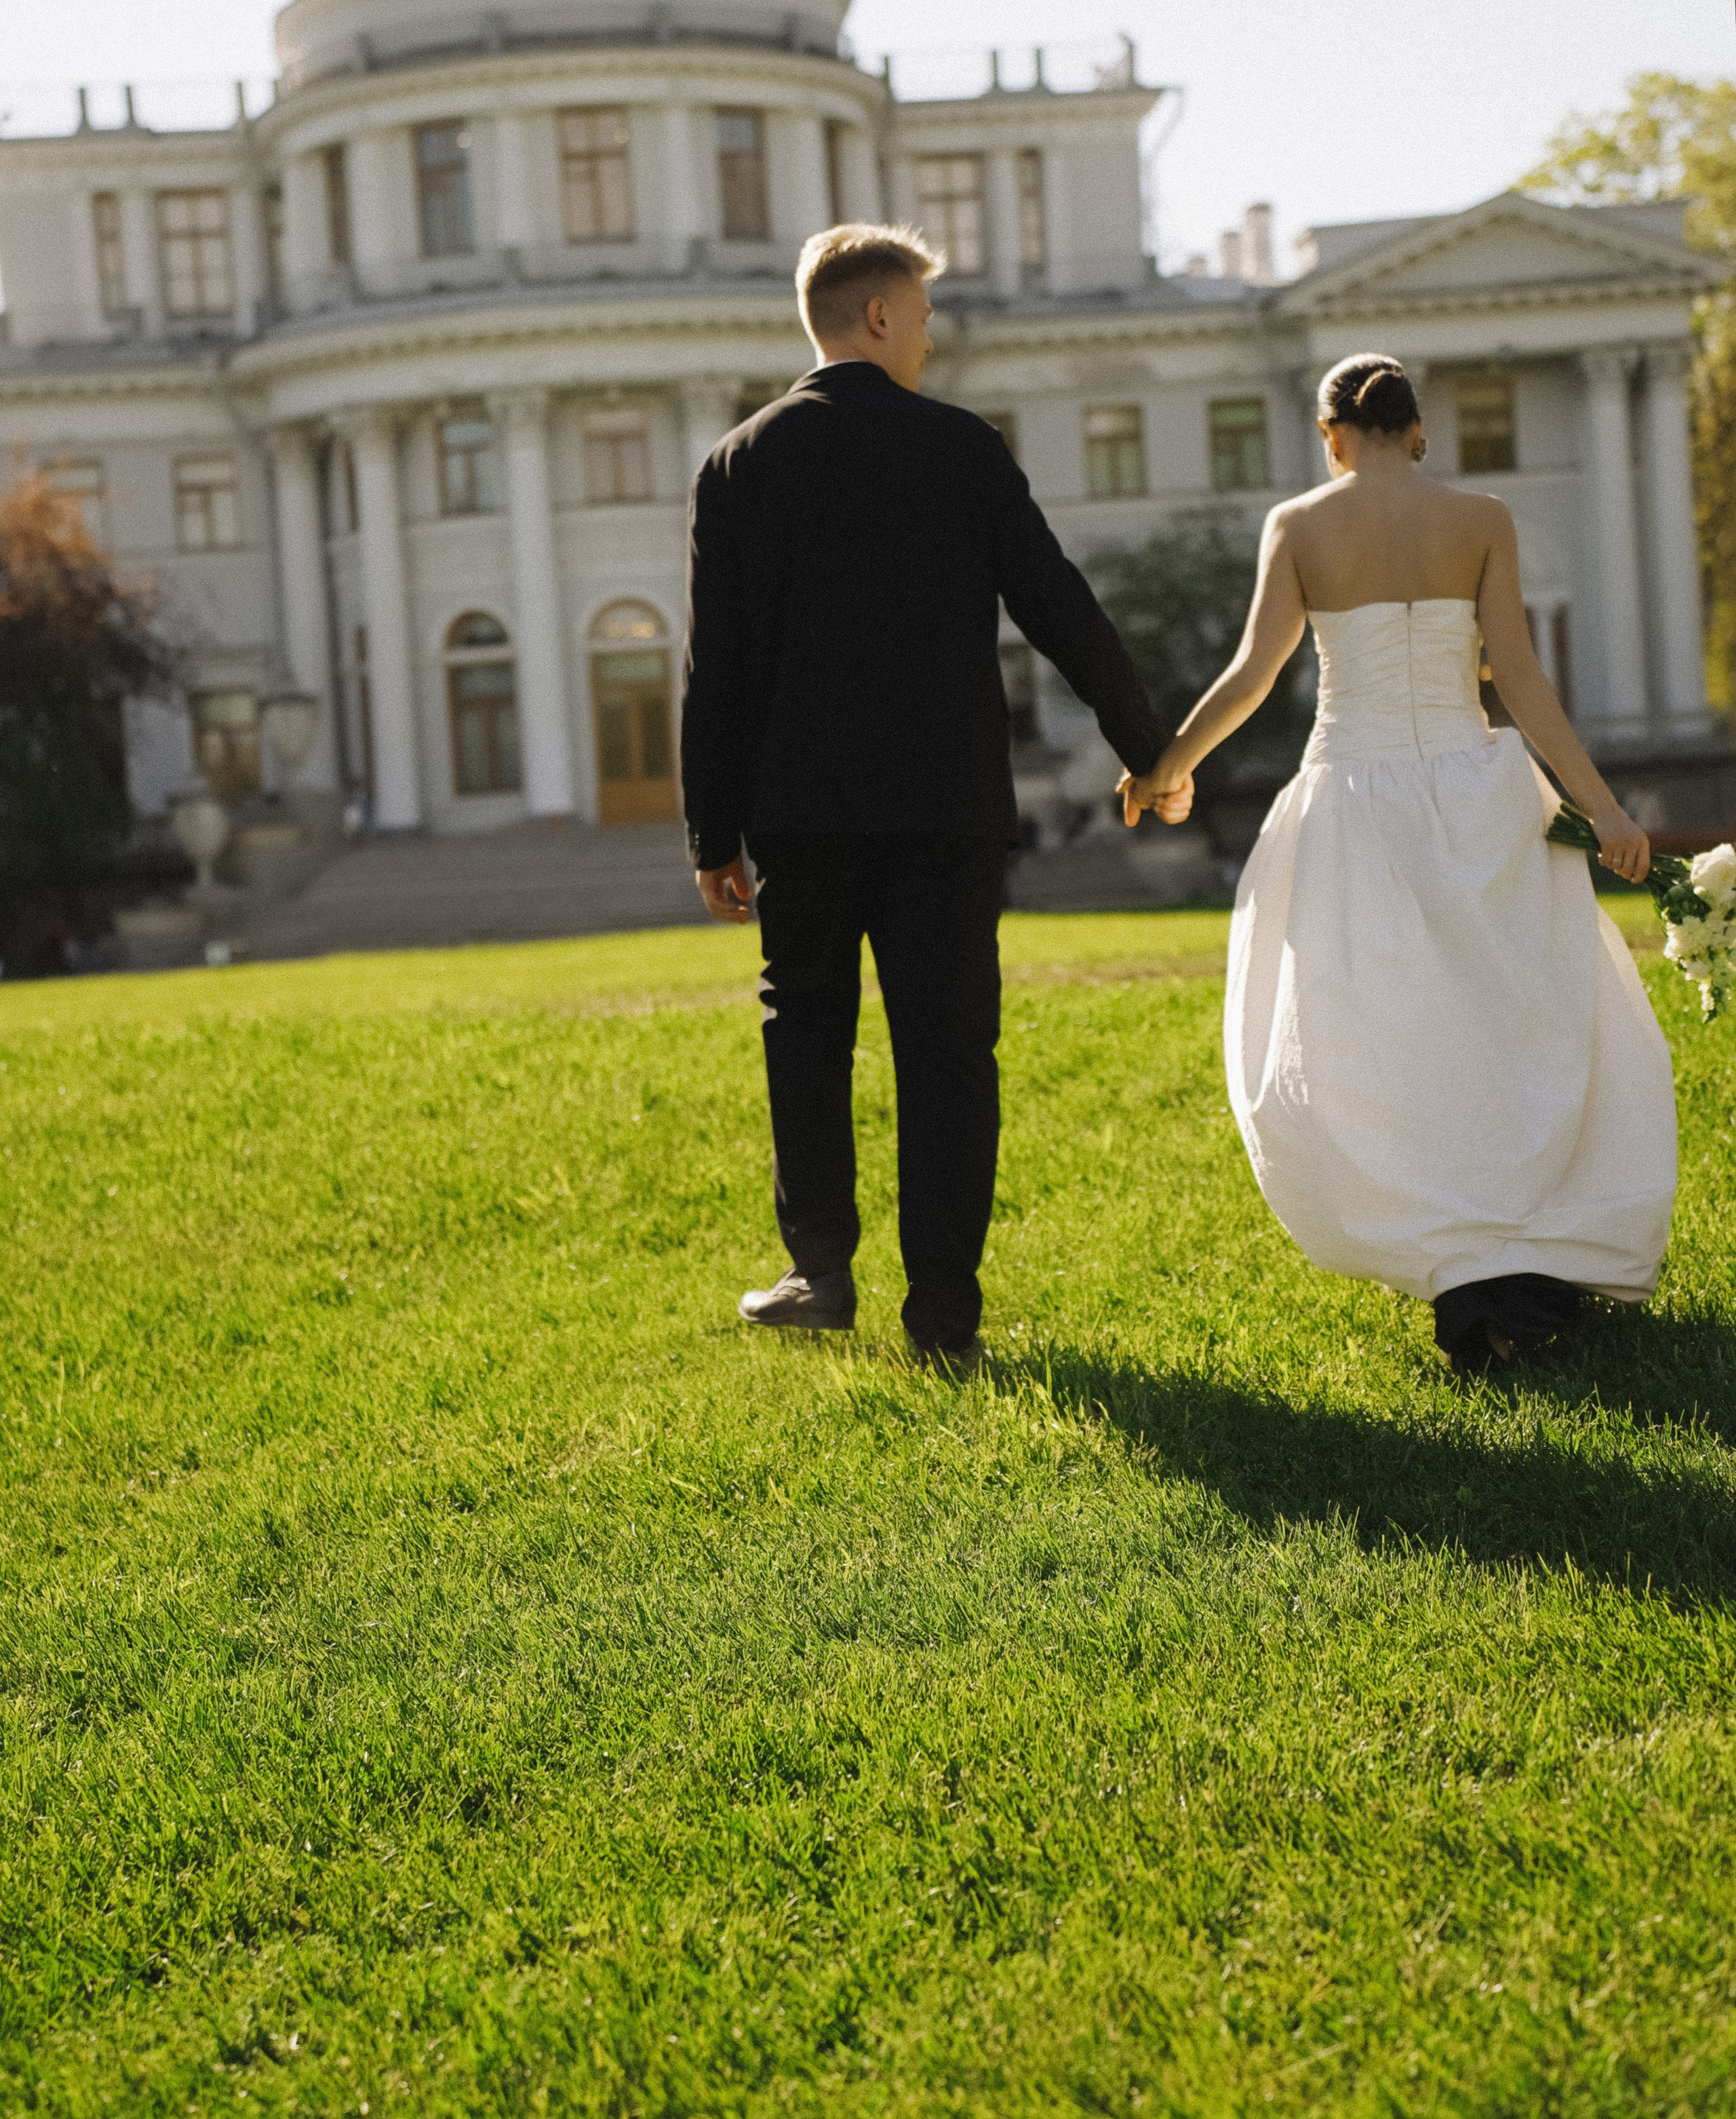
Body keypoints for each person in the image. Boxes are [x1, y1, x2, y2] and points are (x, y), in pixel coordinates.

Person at [682, 222, 1183, 1358]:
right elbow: (1056, 602)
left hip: (799, 813)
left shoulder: (737, 463)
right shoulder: (961, 447)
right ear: (877, 317)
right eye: (921, 314)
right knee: (949, 1052)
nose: (929, 336)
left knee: (805, 1033)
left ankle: (819, 1274)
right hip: (944, 805)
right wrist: (1145, 746)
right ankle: (944, 1317)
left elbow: (718, 667)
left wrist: (712, 830)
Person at [1120, 353, 1678, 1372]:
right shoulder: (1483, 519)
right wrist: (1603, 808)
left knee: (1388, 1029)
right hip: (1478, 790)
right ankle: (1526, 1248)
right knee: (1510, 1014)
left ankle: (1457, 1255)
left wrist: (1167, 768)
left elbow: (1253, 674)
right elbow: (1518, 675)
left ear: (1331, 436)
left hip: (1356, 795)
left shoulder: (1299, 525)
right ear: (1418, 431)